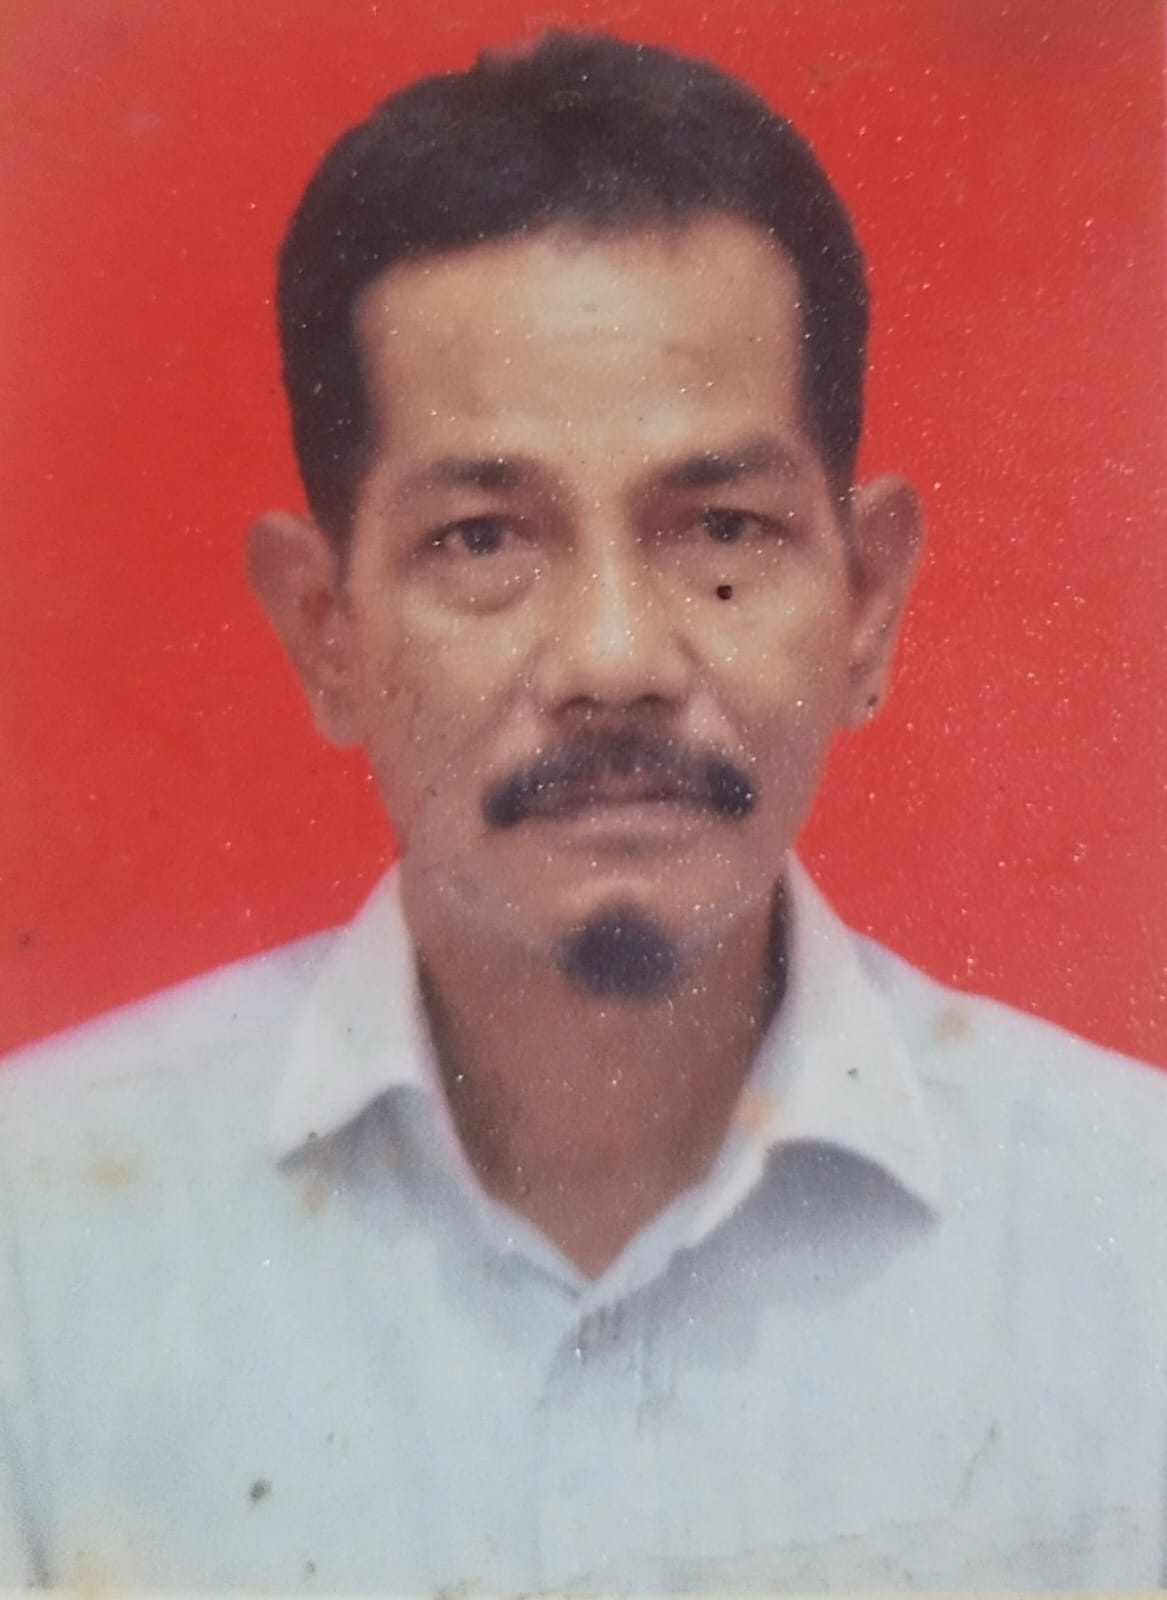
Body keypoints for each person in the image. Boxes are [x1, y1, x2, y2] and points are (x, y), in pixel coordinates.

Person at [1, 29, 1164, 1595]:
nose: (615, 661)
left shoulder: (1130, 1247)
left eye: (722, 527)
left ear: (868, 601)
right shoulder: (40, 1256)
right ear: (326, 630)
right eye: (485, 537)